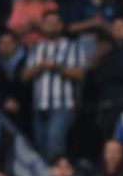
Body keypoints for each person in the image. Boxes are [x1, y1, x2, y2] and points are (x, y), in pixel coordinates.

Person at [21, 10, 87, 162]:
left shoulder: (73, 46)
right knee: (40, 143)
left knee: (54, 137)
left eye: (54, 23)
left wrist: (57, 67)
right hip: (39, 105)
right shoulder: (36, 48)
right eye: (47, 23)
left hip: (63, 104)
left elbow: (80, 74)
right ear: (43, 26)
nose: (50, 26)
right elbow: (24, 76)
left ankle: (57, 175)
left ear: (60, 25)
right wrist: (41, 67)